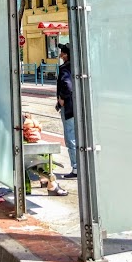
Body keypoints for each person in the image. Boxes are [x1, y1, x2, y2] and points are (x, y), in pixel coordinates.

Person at [57, 43, 77, 179]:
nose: (60, 55)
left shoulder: (65, 69)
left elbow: (67, 86)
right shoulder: (76, 67)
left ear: (66, 55)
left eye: (62, 53)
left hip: (69, 109)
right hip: (77, 108)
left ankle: (76, 168)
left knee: (71, 138)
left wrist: (62, 98)